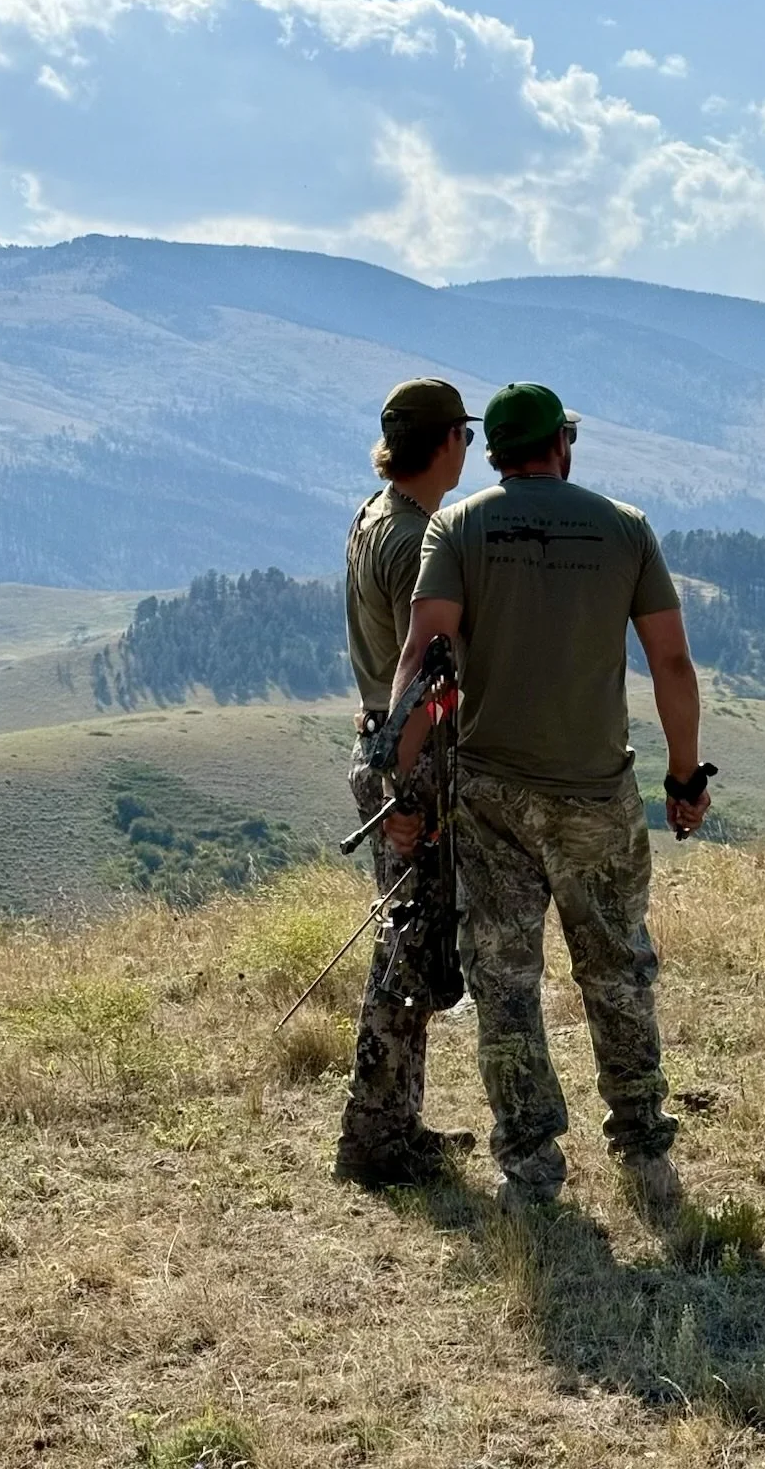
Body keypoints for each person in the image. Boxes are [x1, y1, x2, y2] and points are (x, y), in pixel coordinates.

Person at [386, 382, 712, 1217]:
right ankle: (645, 1155)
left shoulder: (459, 528)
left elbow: (424, 655)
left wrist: (402, 777)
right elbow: (671, 663)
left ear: (491, 454)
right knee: (617, 972)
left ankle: (531, 1166)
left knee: (505, 980)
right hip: (596, 793)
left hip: (493, 792)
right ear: (562, 445)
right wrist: (684, 776)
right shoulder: (625, 528)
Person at [334, 376, 480, 1188]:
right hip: (412, 757)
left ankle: (398, 1125)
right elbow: (423, 667)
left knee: (411, 940)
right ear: (445, 442)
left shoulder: (371, 518)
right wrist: (405, 781)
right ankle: (372, 1135)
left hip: (382, 742)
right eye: (463, 433)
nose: (469, 448)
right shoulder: (423, 541)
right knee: (409, 947)